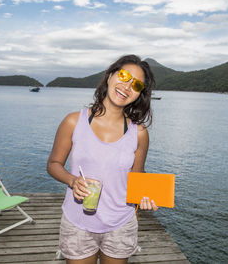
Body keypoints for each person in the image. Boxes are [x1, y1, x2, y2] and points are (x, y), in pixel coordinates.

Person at [47, 54, 158, 264]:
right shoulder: (73, 121)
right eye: (123, 75)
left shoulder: (140, 133)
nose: (126, 86)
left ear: (140, 94)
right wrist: (72, 180)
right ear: (109, 76)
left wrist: (146, 196)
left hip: (121, 224)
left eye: (136, 84)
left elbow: (137, 177)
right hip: (77, 223)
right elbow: (53, 164)